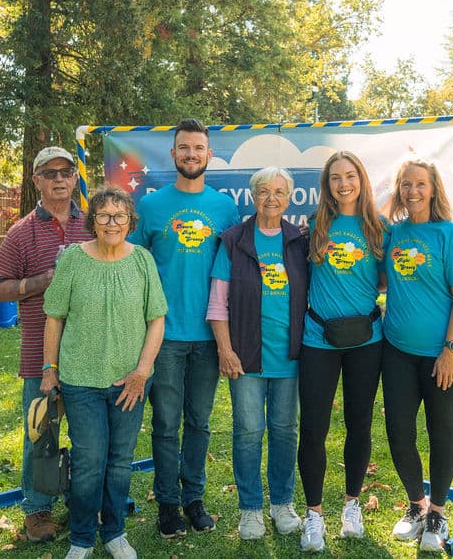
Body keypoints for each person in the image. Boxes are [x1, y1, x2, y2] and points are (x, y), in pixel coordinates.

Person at [41, 186, 168, 559]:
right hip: (81, 380)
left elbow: (156, 319)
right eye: (104, 216)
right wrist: (50, 369)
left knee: (119, 462)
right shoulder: (74, 261)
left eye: (120, 216)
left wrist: (142, 372)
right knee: (89, 460)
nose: (112, 223)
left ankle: (114, 532)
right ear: (92, 221)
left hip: (130, 382)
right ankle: (81, 538)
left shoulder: (143, 260)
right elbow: (55, 317)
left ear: (130, 222)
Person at [129, 118, 239, 538]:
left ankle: (193, 497)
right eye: (184, 148)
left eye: (198, 148)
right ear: (172, 155)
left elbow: (234, 271)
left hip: (211, 337)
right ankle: (168, 505)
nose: (191, 154)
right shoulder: (152, 207)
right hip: (164, 337)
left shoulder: (225, 209)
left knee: (200, 422)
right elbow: (133, 267)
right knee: (165, 424)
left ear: (209, 156)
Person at [0, 146, 94, 543]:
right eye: (50, 173)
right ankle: (38, 509)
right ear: (36, 182)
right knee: (41, 434)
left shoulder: (93, 223)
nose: (60, 179)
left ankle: (85, 503)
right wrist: (38, 283)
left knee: (89, 436)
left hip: (90, 351)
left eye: (66, 171)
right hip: (39, 354)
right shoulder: (22, 232)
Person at [206, 167, 308, 541]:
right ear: (252, 197)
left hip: (291, 357)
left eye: (279, 192)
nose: (271, 198)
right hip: (245, 357)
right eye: (264, 191)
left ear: (289, 198)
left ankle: (282, 504)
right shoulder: (234, 240)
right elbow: (217, 304)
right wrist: (225, 349)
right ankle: (250, 510)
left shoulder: (299, 240)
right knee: (249, 433)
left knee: (285, 432)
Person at [296, 151, 387, 552]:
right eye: (335, 177)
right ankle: (313, 515)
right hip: (318, 340)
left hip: (366, 341)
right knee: (313, 428)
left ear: (361, 180)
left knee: (359, 423)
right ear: (326, 185)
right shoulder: (313, 227)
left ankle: (352, 505)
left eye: (350, 176)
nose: (343, 183)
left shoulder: (379, 228)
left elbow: (389, 280)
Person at [382, 159, 453, 554]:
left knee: (440, 432)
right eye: (405, 184)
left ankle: (437, 511)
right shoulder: (392, 234)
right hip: (397, 351)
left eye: (420, 184)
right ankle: (416, 506)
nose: (413, 191)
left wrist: (449, 351)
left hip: (444, 354)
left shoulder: (448, 235)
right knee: (399, 433)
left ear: (434, 189)